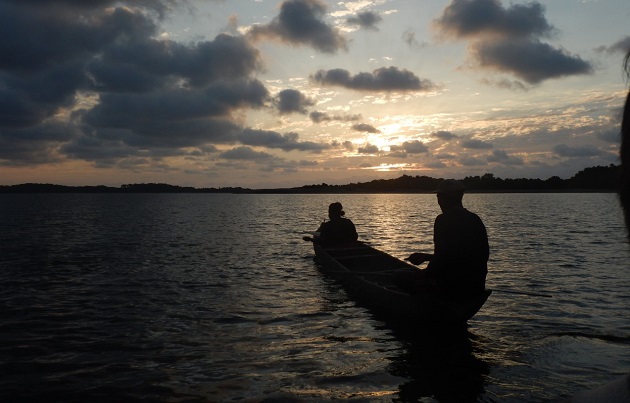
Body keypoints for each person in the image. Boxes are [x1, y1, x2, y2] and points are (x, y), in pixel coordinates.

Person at [403, 180, 489, 298]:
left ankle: (422, 304)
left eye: (438, 196)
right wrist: (427, 257)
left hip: (450, 287)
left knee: (399, 277)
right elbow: (462, 256)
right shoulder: (475, 219)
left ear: (443, 198)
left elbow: (441, 259)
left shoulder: (443, 220)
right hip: (476, 286)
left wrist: (424, 274)